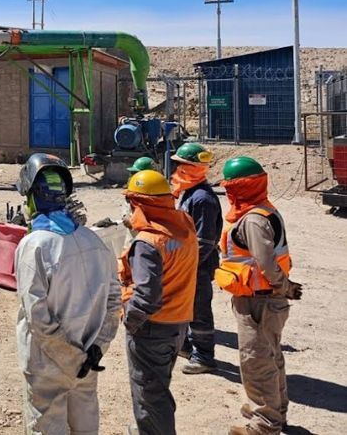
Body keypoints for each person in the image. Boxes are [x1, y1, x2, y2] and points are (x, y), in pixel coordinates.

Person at [14, 153, 121, 435]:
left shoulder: (34, 246)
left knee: (47, 427)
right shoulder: (94, 241)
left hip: (48, 365)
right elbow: (114, 302)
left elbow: (37, 317)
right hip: (89, 359)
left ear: (32, 197)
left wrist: (68, 357)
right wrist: (96, 348)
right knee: (85, 426)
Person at [217, 157, 302, 435]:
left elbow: (266, 264)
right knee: (271, 357)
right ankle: (276, 414)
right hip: (265, 299)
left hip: (259, 300)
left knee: (256, 362)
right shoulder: (264, 210)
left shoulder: (252, 219)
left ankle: (264, 425)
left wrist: (283, 286)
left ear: (238, 188)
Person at [119, 170, 198, 435]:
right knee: (158, 387)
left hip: (152, 327)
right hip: (178, 322)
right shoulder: (185, 223)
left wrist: (130, 321)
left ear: (138, 203)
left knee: (150, 393)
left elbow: (146, 295)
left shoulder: (147, 243)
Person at [170, 142, 223, 374]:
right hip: (187, 263)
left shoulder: (202, 199)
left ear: (195, 169)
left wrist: (187, 266)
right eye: (178, 165)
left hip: (197, 266)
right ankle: (187, 347)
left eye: (183, 166)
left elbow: (205, 241)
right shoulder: (189, 194)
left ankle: (204, 357)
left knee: (199, 311)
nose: (178, 170)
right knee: (185, 308)